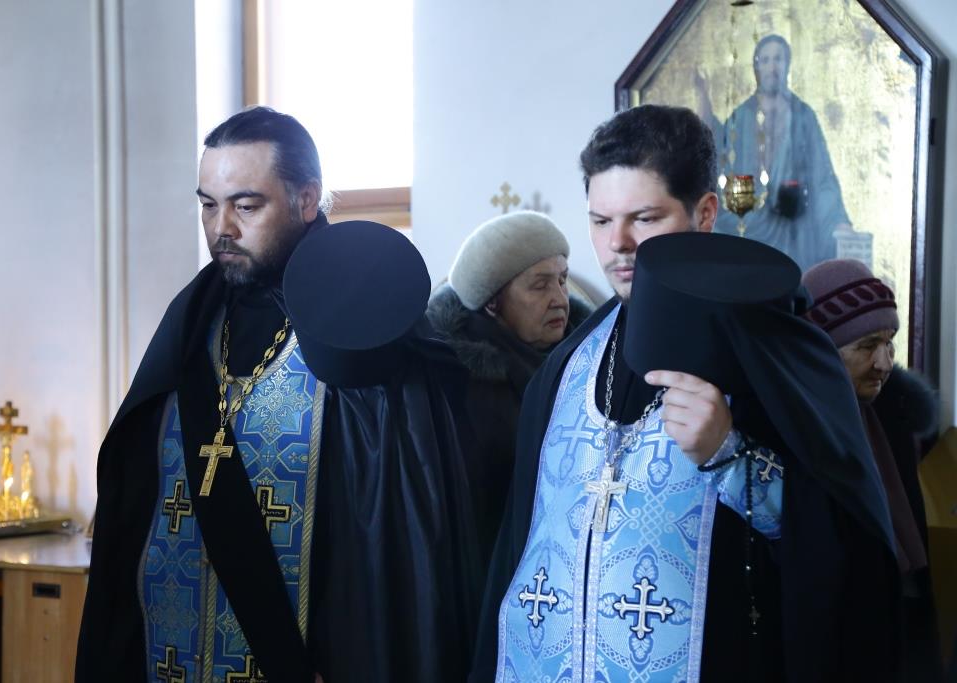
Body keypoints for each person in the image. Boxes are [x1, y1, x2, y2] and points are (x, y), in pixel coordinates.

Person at [470, 104, 900, 682]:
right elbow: (518, 549)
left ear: (704, 214)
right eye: (600, 221)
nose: (617, 244)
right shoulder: (566, 366)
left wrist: (731, 455)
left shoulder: (779, 351)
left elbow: (847, 551)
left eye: (644, 218)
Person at [76, 106, 485, 683]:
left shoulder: (362, 333)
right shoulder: (191, 323)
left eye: (246, 206)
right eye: (208, 205)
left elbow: (391, 547)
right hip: (173, 653)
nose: (222, 228)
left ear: (306, 199)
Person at [803, 259, 944, 682]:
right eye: (867, 346)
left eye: (889, 343)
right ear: (821, 348)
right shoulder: (801, 432)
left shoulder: (894, 419)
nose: (884, 362)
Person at [426, 210, 593, 560]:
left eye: (562, 280)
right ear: (492, 301)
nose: (560, 299)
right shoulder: (455, 387)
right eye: (540, 285)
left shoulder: (590, 364)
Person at [696, 34, 852, 271]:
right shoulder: (742, 116)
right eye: (766, 60)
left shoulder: (803, 116)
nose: (772, 67)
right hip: (750, 224)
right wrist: (703, 98)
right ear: (756, 67)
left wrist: (838, 221)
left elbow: (822, 176)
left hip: (794, 228)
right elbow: (720, 156)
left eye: (778, 59)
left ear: (787, 64)